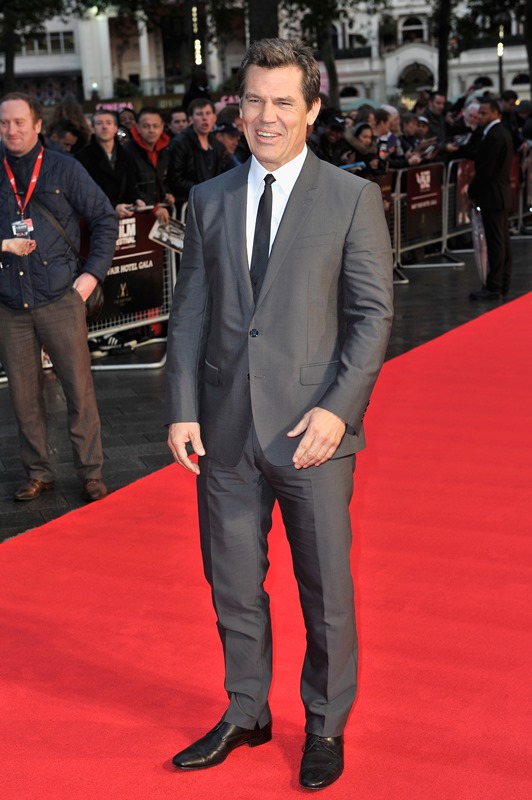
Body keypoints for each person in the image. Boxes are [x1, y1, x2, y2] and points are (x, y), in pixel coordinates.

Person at [165, 39, 393, 791]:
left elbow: (372, 316)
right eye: (254, 100)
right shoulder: (209, 198)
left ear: (312, 110)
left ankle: (324, 723)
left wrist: (338, 410)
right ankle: (246, 710)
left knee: (325, 591)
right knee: (232, 583)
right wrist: (182, 408)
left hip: (312, 435)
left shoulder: (351, 197)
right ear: (239, 107)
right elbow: (191, 311)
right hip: (225, 430)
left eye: (283, 102)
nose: (266, 116)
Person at [0, 92, 118, 502]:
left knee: (78, 389)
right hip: (10, 303)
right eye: (4, 123)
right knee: (23, 396)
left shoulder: (64, 168)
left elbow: (104, 218)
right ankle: (38, 472)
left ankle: (91, 472)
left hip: (60, 298)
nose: (11, 130)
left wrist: (91, 276)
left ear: (37, 125)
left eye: (19, 122)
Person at [468, 98, 513, 300]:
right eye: (479, 112)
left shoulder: (494, 136)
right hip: (499, 194)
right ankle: (502, 282)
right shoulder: (501, 133)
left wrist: (472, 191)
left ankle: (494, 285)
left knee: (496, 243)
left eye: (484, 113)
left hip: (492, 195)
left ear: (495, 113)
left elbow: (485, 170)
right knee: (502, 241)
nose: (480, 116)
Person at [75, 109, 144, 219]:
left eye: (109, 123)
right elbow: (85, 193)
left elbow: (131, 186)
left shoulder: (126, 156)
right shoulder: (82, 157)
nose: (104, 127)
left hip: (125, 215)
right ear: (93, 128)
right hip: (95, 217)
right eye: (99, 123)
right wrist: (113, 207)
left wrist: (137, 200)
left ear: (115, 128)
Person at [167, 98, 226, 217]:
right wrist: (202, 190)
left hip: (212, 205)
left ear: (214, 118)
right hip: (187, 206)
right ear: (191, 119)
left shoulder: (217, 146)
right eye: (199, 114)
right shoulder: (180, 143)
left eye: (208, 113)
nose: (204, 118)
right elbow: (175, 178)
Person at [123, 106, 174, 225]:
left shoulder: (166, 149)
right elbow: (129, 186)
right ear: (137, 127)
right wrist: (153, 207)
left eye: (155, 126)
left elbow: (164, 178)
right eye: (146, 126)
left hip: (160, 212)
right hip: (138, 213)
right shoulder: (127, 151)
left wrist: (167, 193)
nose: (151, 130)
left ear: (162, 127)